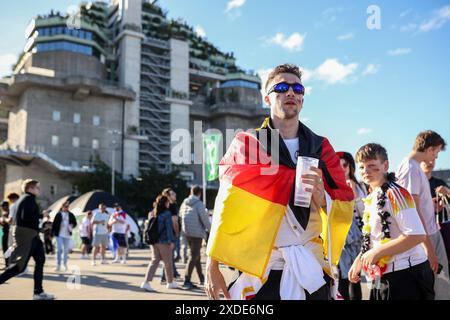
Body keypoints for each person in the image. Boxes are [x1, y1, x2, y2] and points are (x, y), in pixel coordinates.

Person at [205, 64, 354, 300]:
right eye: (282, 87)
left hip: (310, 268)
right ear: (267, 98)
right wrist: (211, 267)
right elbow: (226, 208)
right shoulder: (249, 144)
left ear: (303, 99)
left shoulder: (321, 147)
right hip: (262, 269)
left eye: (297, 88)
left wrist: (322, 198)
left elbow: (345, 203)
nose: (291, 93)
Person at [349, 143, 434, 300]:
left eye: (371, 166)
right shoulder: (372, 196)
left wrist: (376, 253)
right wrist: (360, 260)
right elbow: (374, 238)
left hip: (406, 277)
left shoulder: (396, 193)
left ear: (385, 165)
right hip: (384, 277)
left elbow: (417, 235)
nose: (365, 172)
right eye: (361, 167)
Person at [395, 130, 450, 299]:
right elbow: (413, 211)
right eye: (437, 152)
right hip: (427, 236)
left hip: (428, 233)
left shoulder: (412, 167)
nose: (436, 157)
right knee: (440, 285)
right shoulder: (411, 168)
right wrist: (429, 249)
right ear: (430, 148)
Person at [0, 179, 55, 300]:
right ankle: (38, 292)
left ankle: (38, 292)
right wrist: (42, 215)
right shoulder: (28, 199)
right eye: (37, 187)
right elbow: (27, 217)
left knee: (40, 260)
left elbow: (25, 218)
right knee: (18, 267)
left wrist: (40, 223)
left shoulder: (24, 199)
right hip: (27, 236)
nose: (39, 190)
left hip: (30, 234)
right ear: (30, 188)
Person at [336, 152, 366, 300]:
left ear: (350, 166)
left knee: (355, 278)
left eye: (345, 165)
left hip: (359, 236)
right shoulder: (333, 185)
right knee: (343, 276)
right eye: (339, 165)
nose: (342, 168)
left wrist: (354, 192)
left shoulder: (360, 186)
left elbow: (364, 211)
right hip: (341, 237)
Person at [140, 195, 178, 292]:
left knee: (154, 261)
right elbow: (169, 229)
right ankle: (170, 282)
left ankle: (146, 282)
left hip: (153, 241)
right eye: (168, 202)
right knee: (168, 262)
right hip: (164, 241)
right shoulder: (167, 213)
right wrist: (171, 241)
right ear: (165, 203)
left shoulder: (153, 212)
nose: (169, 203)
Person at [180, 185, 211, 290]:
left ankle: (202, 278)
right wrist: (211, 230)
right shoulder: (199, 204)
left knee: (196, 255)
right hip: (197, 234)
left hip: (187, 232)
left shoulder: (184, 202)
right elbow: (205, 220)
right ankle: (186, 280)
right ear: (199, 193)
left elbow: (180, 215)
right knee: (193, 256)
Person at [160, 188, 181, 283]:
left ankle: (173, 273)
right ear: (168, 196)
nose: (175, 195)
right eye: (172, 194)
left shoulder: (163, 206)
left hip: (164, 234)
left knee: (169, 256)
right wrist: (177, 233)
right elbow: (174, 221)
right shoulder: (172, 206)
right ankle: (164, 277)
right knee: (169, 256)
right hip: (171, 234)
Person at [421, 159, 450, 223]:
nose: (430, 162)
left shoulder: (440, 182)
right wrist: (429, 205)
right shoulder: (415, 184)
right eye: (426, 159)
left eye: (433, 159)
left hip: (442, 224)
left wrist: (447, 191)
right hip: (423, 225)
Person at [52, 202, 77, 272]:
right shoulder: (58, 214)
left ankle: (65, 264)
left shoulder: (71, 214)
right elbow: (54, 224)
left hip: (67, 234)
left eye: (67, 206)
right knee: (59, 249)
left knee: (66, 250)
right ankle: (58, 265)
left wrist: (72, 225)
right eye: (65, 206)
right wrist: (52, 234)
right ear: (62, 206)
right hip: (59, 234)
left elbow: (75, 223)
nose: (66, 208)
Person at [0, 201, 11, 267]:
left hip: (8, 234)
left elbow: (6, 223)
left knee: (7, 249)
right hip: (6, 233)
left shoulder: (7, 214)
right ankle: (7, 264)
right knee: (6, 249)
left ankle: (8, 264)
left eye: (2, 206)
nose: (1, 208)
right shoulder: (6, 213)